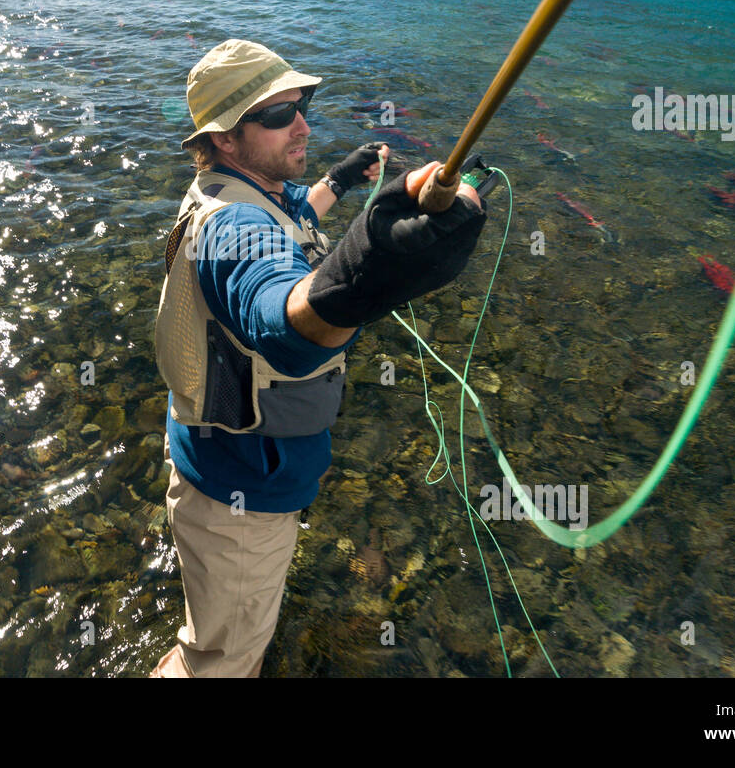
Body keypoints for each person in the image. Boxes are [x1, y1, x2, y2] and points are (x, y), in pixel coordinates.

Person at [149, 39, 487, 678]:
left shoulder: (242, 189)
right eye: (276, 115)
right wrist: (359, 279)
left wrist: (341, 179)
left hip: (234, 466)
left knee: (221, 634)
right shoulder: (230, 226)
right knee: (222, 662)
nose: (303, 122)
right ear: (223, 138)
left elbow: (291, 212)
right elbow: (276, 316)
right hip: (239, 495)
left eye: (302, 104)